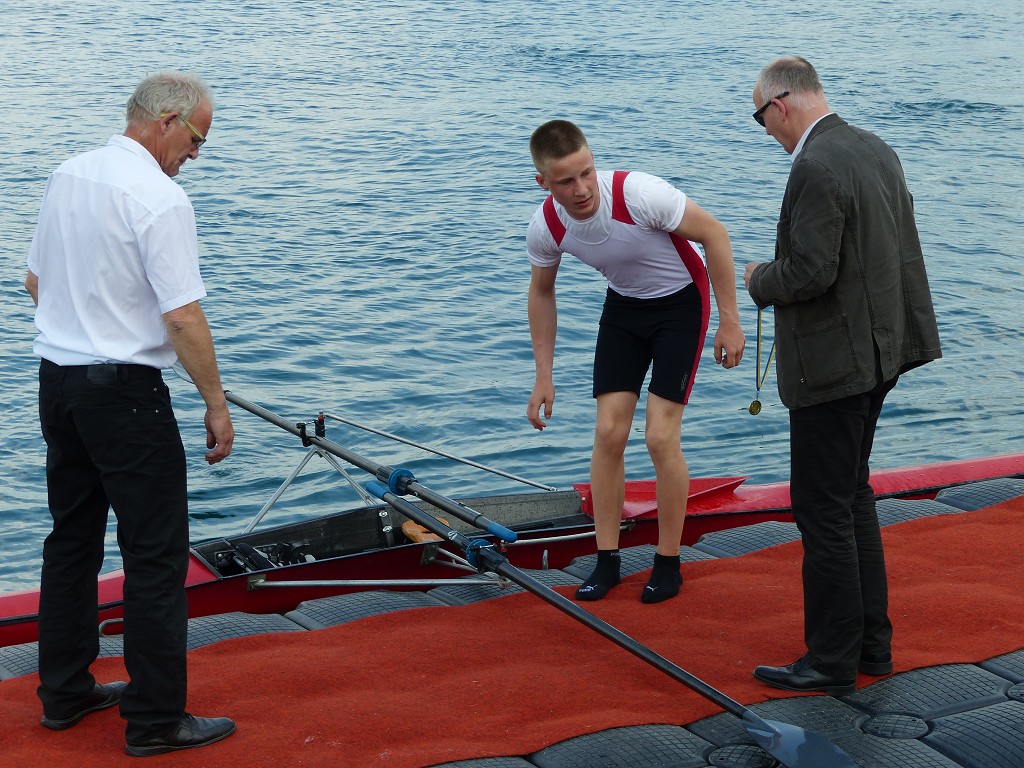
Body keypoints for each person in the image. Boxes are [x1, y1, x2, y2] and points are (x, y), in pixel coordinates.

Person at [24, 71, 238, 756]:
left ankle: (64, 693)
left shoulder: (67, 174)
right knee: (154, 555)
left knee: (71, 540)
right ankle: (155, 720)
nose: (196, 154)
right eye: (197, 139)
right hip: (126, 395)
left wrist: (86, 325)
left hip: (58, 382)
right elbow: (182, 316)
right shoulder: (160, 197)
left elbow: (34, 281)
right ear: (168, 121)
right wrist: (215, 402)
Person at [743, 57, 941, 695]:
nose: (766, 132)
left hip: (835, 364)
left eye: (761, 119)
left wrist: (757, 280)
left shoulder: (816, 164)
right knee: (852, 497)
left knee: (822, 509)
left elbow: (809, 272)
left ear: (779, 105)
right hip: (882, 352)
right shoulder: (873, 147)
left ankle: (831, 659)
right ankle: (870, 646)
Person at [525, 120, 745, 604]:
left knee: (660, 437)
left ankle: (668, 562)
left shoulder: (641, 194)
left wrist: (729, 322)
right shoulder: (547, 226)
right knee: (609, 432)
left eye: (587, 172)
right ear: (543, 182)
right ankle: (607, 561)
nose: (582, 189)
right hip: (625, 308)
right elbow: (541, 293)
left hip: (681, 305)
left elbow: (715, 235)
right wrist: (543, 375)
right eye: (566, 181)